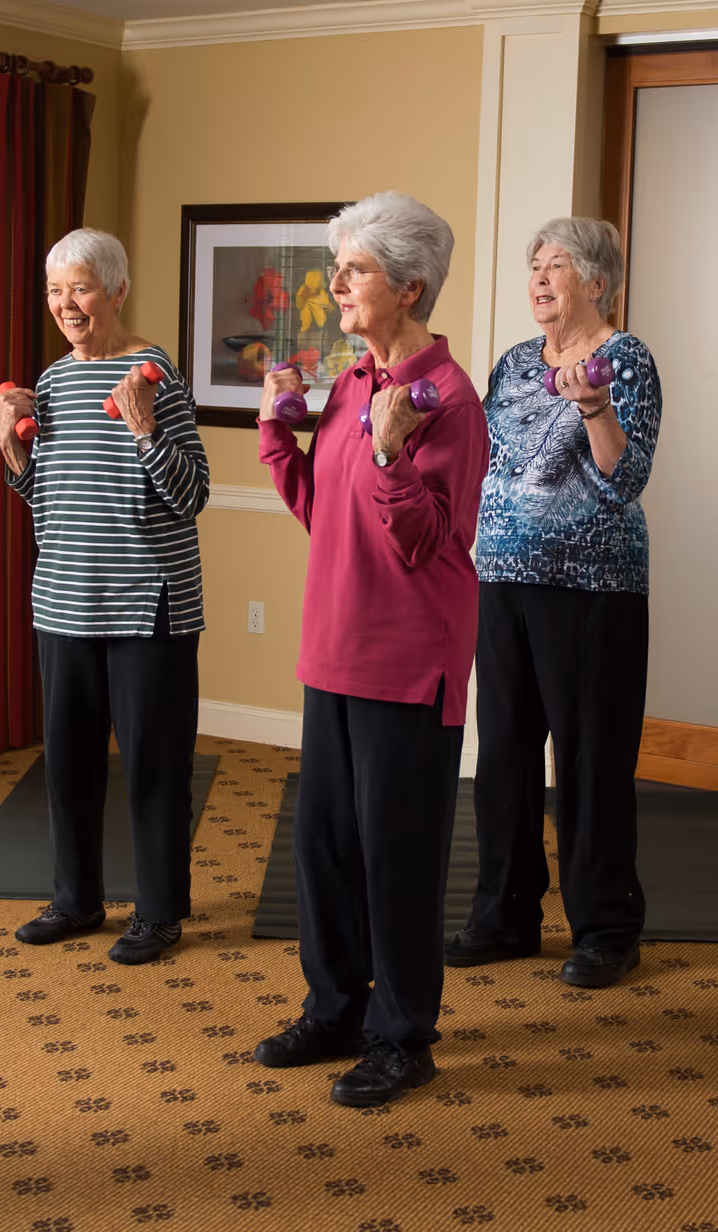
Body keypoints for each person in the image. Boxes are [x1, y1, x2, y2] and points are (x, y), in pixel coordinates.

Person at [252, 192, 488, 1108]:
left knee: (397, 852)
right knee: (327, 848)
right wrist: (280, 424)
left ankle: (404, 1035)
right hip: (335, 648)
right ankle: (335, 1006)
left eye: (355, 270)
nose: (336, 283)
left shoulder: (450, 400)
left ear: (411, 287)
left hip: (408, 658)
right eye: (338, 266)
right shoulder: (354, 384)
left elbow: (425, 542)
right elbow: (321, 511)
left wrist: (392, 458)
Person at [447, 216, 661, 988]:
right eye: (533, 264)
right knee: (503, 754)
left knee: (590, 760)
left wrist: (595, 408)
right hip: (502, 578)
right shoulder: (511, 364)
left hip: (593, 589)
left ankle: (606, 927)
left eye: (557, 265)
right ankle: (504, 915)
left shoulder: (625, 359)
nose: (539, 278)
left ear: (597, 282)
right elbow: (483, 458)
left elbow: (624, 480)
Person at [0, 228, 209, 965]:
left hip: (148, 604)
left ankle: (158, 913)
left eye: (80, 288)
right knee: (70, 763)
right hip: (63, 600)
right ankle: (76, 900)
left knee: (154, 765)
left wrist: (147, 432)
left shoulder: (156, 375)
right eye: (56, 292)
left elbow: (194, 494)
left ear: (116, 292)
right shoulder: (51, 383)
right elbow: (45, 499)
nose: (67, 305)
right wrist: (12, 452)